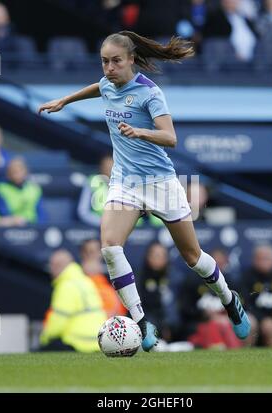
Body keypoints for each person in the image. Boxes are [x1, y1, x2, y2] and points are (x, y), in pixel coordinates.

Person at [39, 30, 251, 352]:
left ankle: (228, 298)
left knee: (193, 257)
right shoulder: (109, 83)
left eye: (115, 62)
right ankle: (140, 322)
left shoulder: (150, 93)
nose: (109, 68)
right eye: (104, 61)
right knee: (110, 247)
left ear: (132, 60)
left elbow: (171, 138)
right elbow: (99, 87)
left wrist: (140, 132)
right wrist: (65, 100)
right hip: (125, 181)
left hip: (160, 182)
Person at [40, 249, 107, 352]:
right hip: (98, 343)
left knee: (43, 351)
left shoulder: (66, 286)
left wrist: (44, 339)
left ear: (57, 266)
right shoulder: (86, 281)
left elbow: (58, 321)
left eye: (52, 266)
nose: (51, 271)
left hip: (77, 342)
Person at [80, 239, 127, 318]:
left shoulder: (113, 277)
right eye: (89, 252)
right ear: (83, 254)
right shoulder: (76, 277)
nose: (93, 256)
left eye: (95, 252)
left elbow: (122, 309)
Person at [0, 157, 46, 224]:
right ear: (8, 173)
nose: (17, 175)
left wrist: (28, 221)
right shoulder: (0, 189)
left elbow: (41, 215)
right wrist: (14, 220)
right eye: (14, 171)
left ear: (26, 172)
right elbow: (3, 212)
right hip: (8, 225)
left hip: (30, 225)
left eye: (20, 171)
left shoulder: (35, 189)